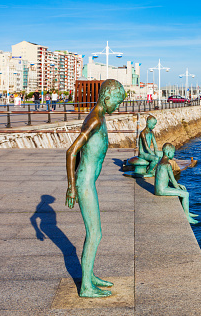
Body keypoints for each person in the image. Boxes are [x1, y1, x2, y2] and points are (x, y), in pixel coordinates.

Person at [65, 79, 126, 298]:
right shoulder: (94, 121)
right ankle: (86, 287)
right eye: (117, 102)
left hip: (87, 181)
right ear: (107, 97)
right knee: (95, 234)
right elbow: (72, 152)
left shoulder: (98, 117)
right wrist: (72, 187)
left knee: (94, 233)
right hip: (85, 184)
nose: (117, 107)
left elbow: (82, 153)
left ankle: (89, 276)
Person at [154, 143, 199, 224]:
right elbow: (173, 180)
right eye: (173, 152)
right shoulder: (167, 164)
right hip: (161, 190)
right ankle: (187, 216)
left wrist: (179, 186)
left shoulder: (161, 161)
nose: (174, 154)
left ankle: (186, 212)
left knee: (183, 189)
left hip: (159, 188)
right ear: (168, 153)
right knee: (185, 194)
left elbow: (165, 179)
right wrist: (178, 188)